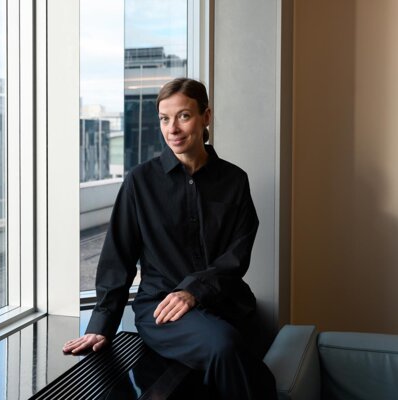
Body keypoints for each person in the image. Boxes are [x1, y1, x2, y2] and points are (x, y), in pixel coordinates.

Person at [63, 78, 277, 399]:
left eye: (183, 116)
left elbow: (237, 254)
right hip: (161, 309)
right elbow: (118, 256)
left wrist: (194, 290)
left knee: (239, 349)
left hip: (225, 303)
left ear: (206, 117)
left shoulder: (235, 180)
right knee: (224, 345)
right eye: (164, 119)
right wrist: (101, 325)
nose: (172, 129)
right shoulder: (140, 182)